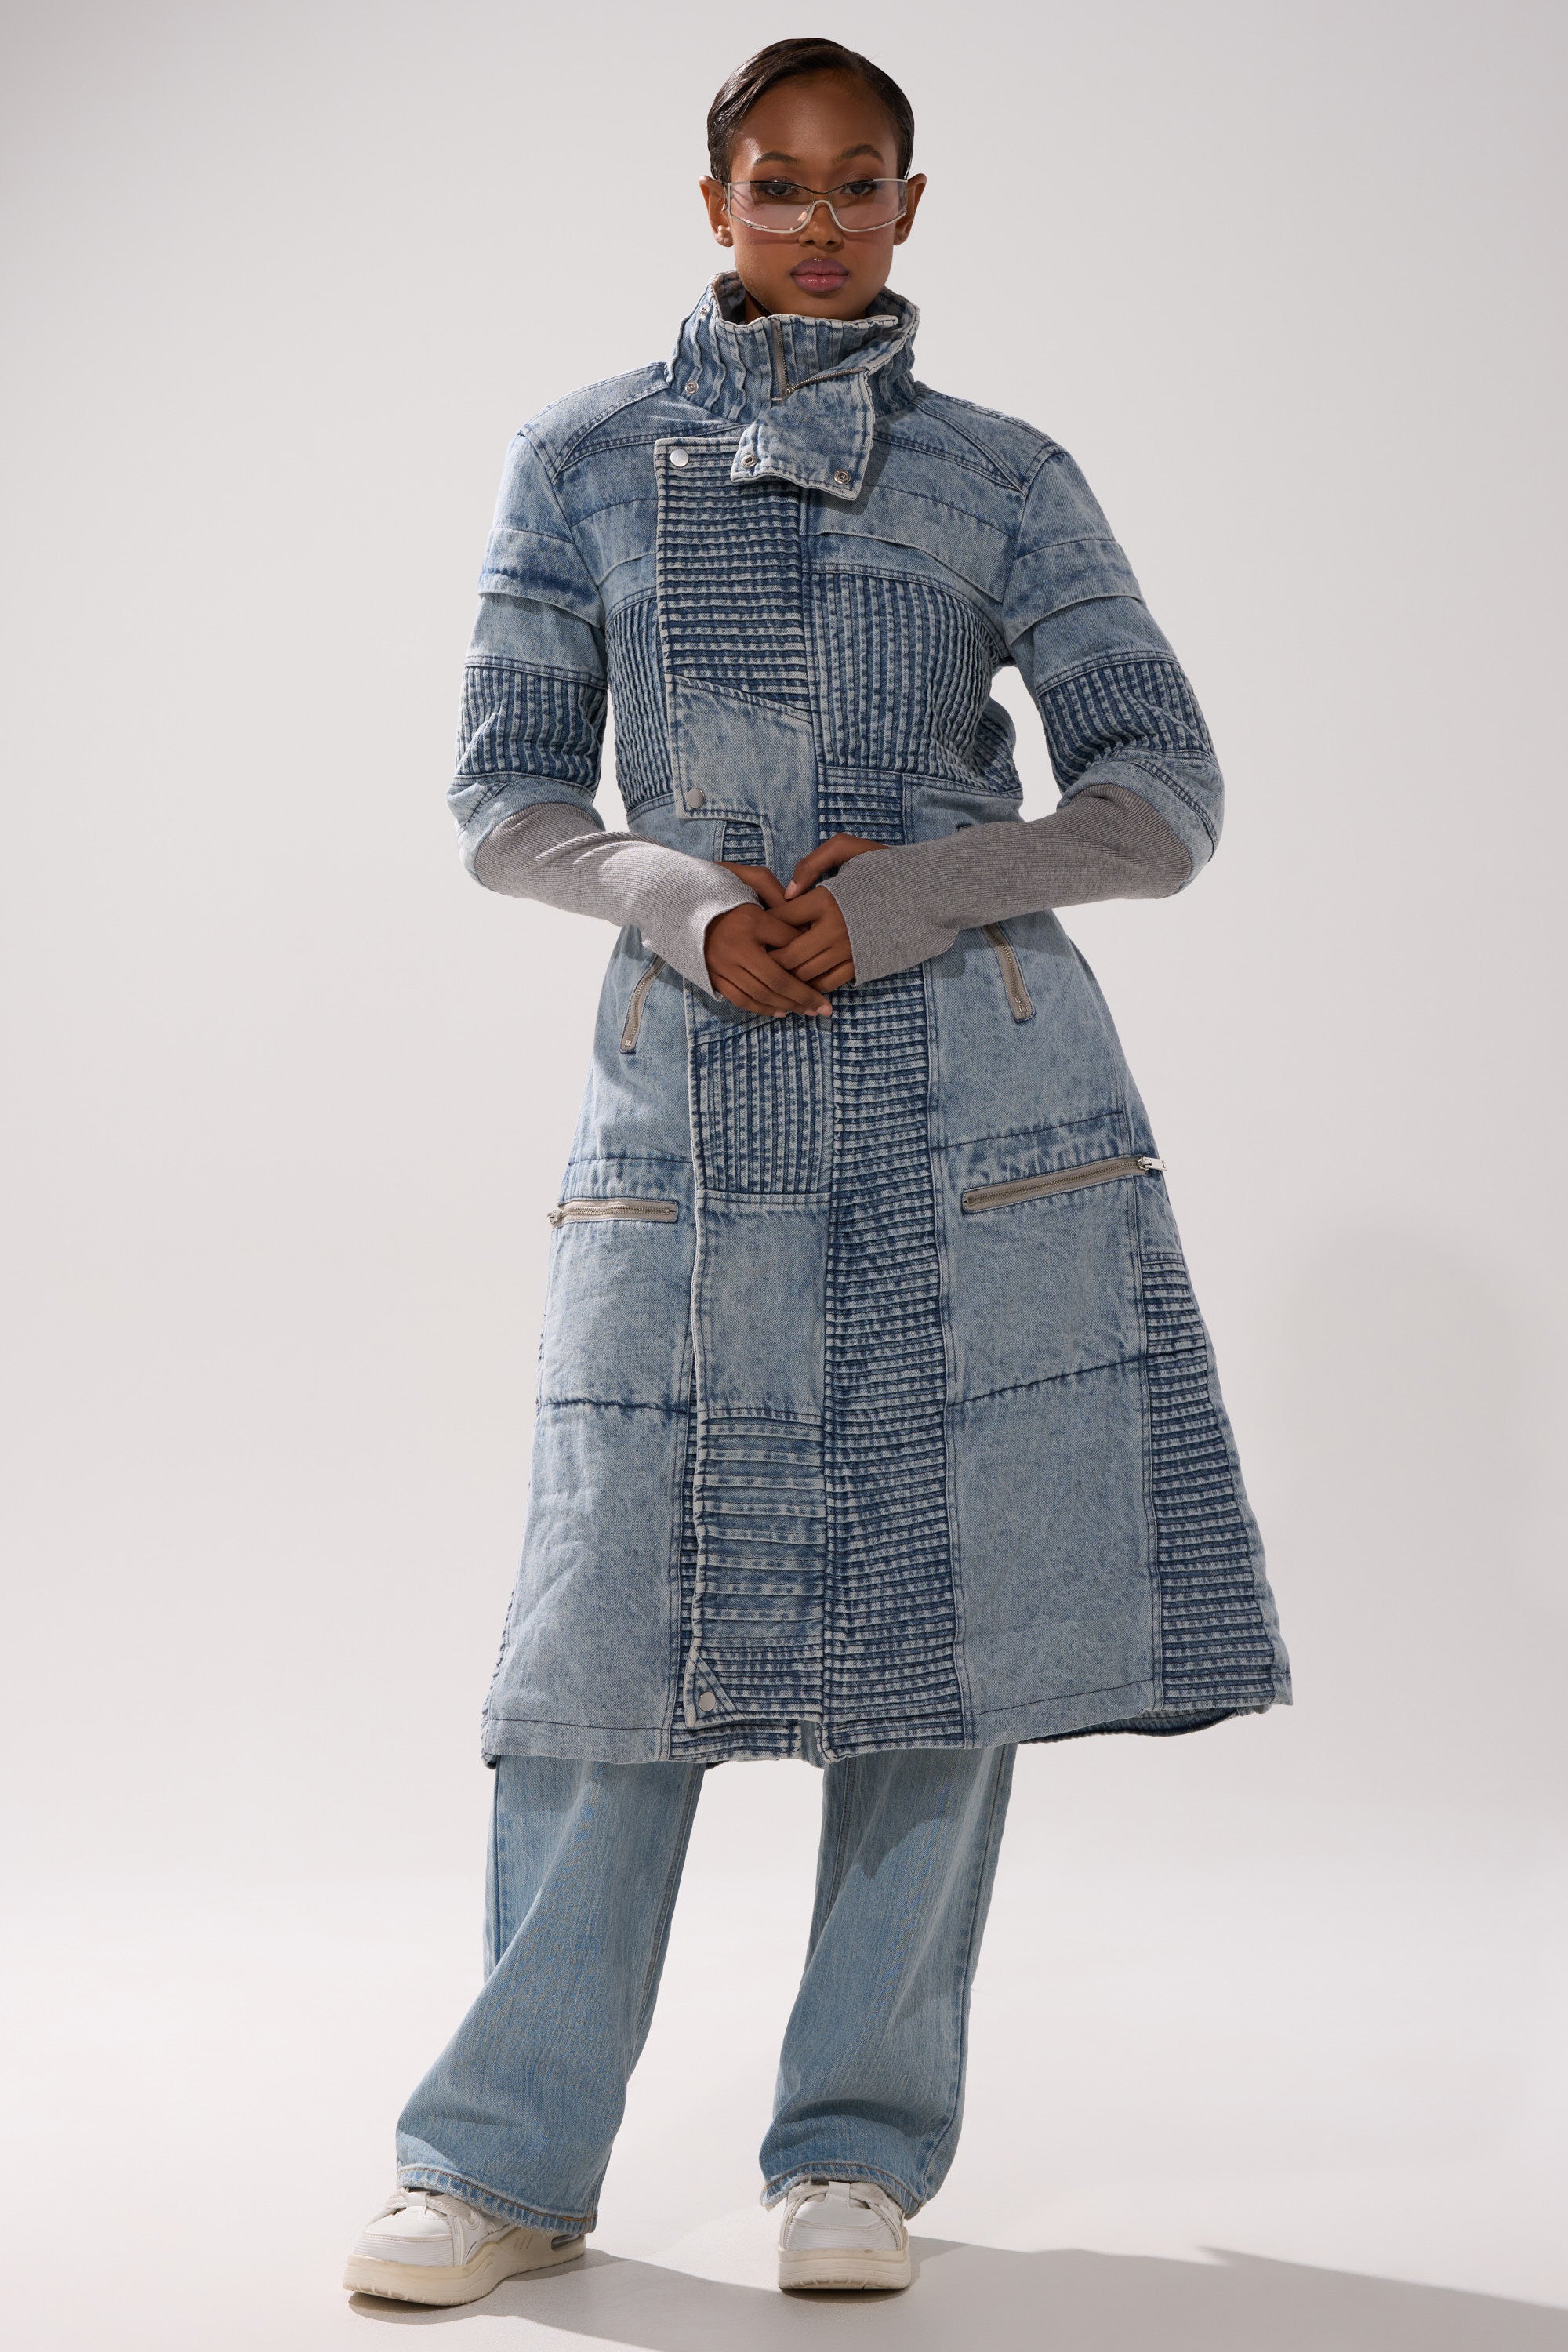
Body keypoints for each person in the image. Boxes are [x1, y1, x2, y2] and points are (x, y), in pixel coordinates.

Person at [343, 36, 1290, 2309]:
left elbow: (1161, 795)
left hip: (971, 1100)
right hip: (685, 1087)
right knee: (603, 1639)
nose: (822, 222)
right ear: (715, 204)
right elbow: (503, 796)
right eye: (780, 185)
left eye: (862, 185)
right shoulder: (579, 460)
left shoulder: (1006, 476)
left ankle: (855, 2158)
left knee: (943, 1640)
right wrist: (683, 900)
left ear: (911, 206)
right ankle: (498, 2165)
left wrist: (914, 897)